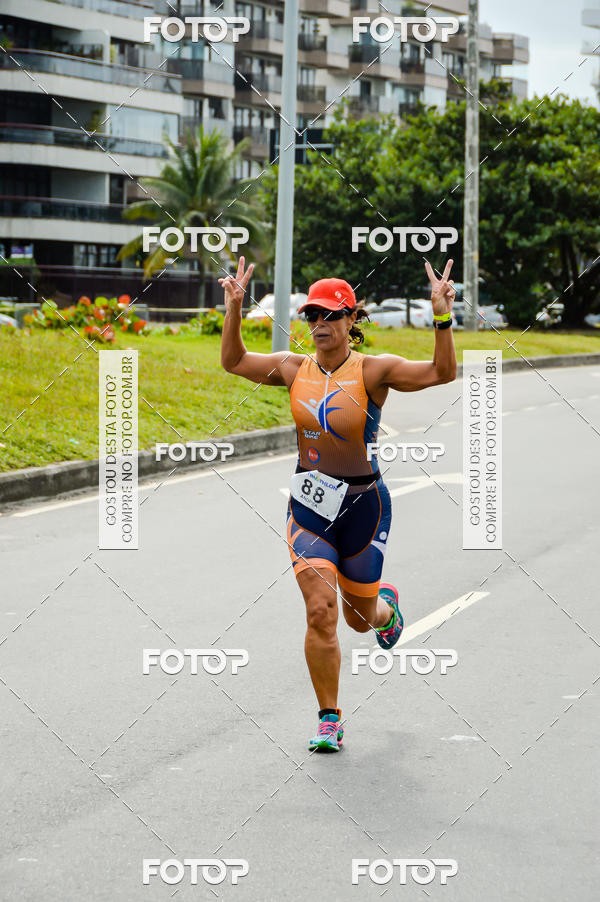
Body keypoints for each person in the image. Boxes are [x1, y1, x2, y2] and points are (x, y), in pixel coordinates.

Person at [220, 257, 457, 752]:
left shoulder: (374, 371)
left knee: (357, 617)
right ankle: (330, 717)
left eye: (331, 315)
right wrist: (235, 309)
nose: (320, 325)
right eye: (312, 316)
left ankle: (384, 610)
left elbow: (441, 372)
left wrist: (441, 315)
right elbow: (234, 362)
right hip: (309, 506)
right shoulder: (292, 368)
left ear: (353, 319)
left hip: (364, 507)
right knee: (321, 610)